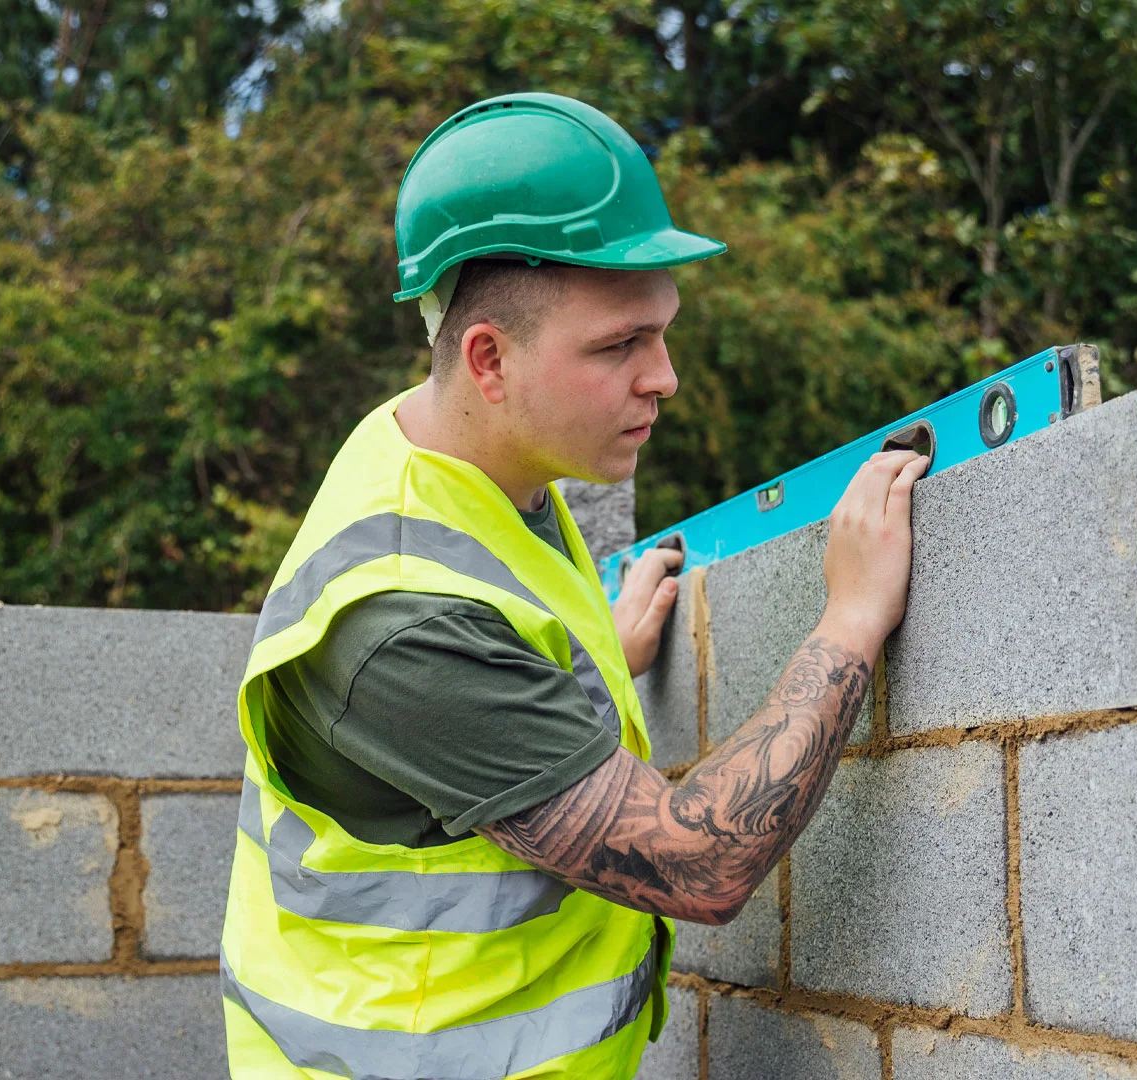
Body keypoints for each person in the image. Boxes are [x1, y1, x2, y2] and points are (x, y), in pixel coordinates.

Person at [218, 91, 930, 1080]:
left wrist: (600, 659)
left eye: (661, 332)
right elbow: (700, 861)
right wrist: (851, 621)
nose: (664, 377)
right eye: (617, 347)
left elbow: (496, 660)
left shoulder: (465, 460)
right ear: (488, 359)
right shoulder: (398, 626)